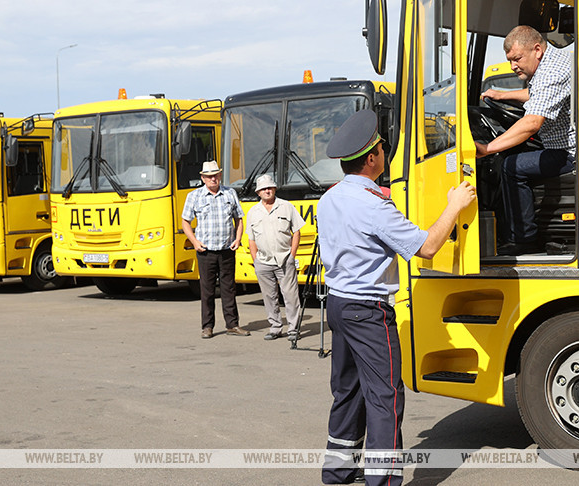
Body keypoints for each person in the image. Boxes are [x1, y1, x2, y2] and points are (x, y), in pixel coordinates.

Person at [317, 110, 476, 486]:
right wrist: (454, 205)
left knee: (347, 390)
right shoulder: (374, 205)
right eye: (383, 148)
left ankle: (338, 469)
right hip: (368, 311)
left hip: (338, 304)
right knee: (385, 397)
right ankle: (383, 479)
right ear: (372, 158)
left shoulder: (330, 198)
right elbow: (427, 246)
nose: (386, 153)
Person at [475, 25, 576, 256]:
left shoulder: (552, 73)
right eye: (510, 60)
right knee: (513, 155)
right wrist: (501, 95)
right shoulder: (553, 61)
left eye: (517, 59)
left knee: (510, 166)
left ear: (537, 49)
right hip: (562, 145)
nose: (513, 66)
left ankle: (522, 239)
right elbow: (538, 94)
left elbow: (532, 123)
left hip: (569, 153)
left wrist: (488, 148)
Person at [181, 160, 250, 339]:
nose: (213, 179)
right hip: (206, 251)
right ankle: (207, 326)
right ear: (203, 178)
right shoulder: (194, 196)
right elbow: (185, 222)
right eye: (209, 176)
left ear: (220, 176)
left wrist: (238, 238)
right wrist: (195, 242)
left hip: (227, 249)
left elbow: (239, 218)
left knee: (229, 289)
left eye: (216, 175)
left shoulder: (230, 193)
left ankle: (232, 325)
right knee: (207, 290)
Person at [245, 173, 306, 341]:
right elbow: (251, 239)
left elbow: (297, 232)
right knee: (269, 296)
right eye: (263, 189)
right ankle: (275, 327)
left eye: (270, 188)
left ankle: (293, 329)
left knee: (291, 296)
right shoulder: (253, 212)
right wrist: (255, 259)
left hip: (285, 259)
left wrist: (292, 255)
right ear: (258, 192)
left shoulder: (287, 206)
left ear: (275, 189)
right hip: (263, 262)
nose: (267, 191)